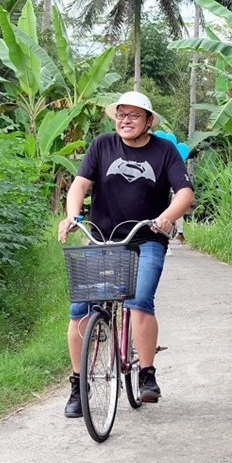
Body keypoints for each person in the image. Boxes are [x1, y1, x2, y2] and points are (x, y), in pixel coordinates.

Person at [58, 91, 195, 418]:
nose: (126, 120)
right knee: (79, 310)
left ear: (148, 121)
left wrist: (167, 217)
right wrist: (73, 216)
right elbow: (79, 185)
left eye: (134, 115)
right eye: (121, 115)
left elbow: (184, 192)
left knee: (139, 300)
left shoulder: (164, 151)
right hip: (101, 239)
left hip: (145, 240)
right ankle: (78, 385)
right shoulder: (102, 146)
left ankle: (147, 374)